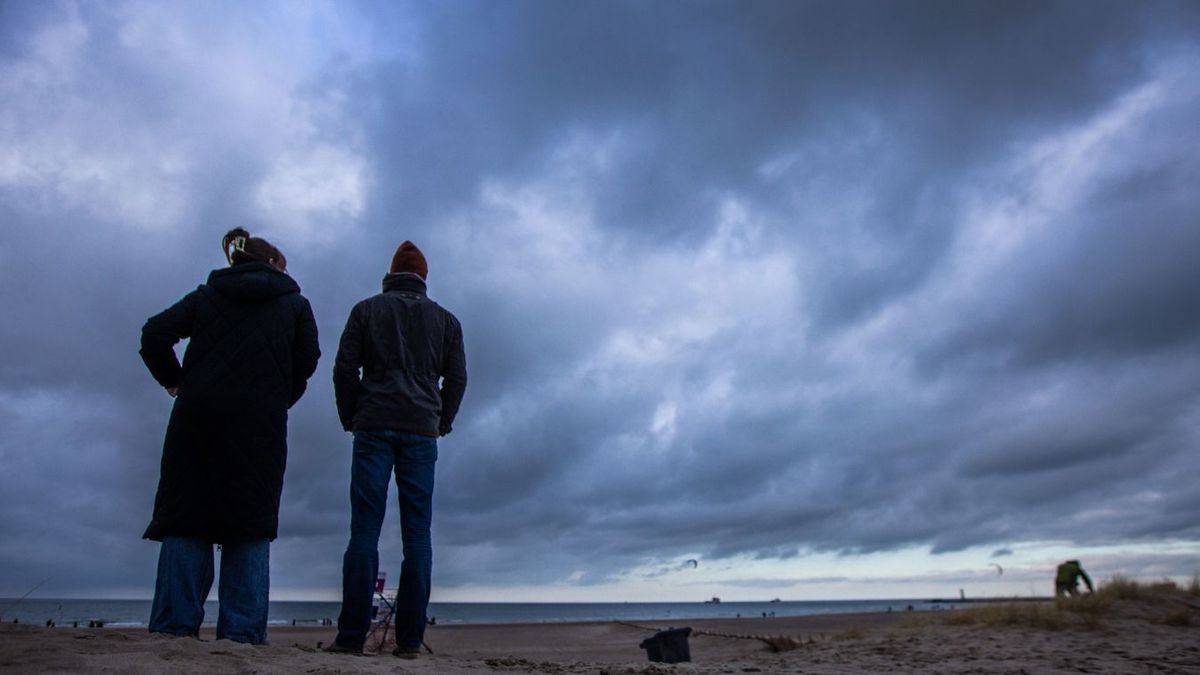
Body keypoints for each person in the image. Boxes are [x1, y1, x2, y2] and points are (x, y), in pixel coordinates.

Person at [139, 228, 320, 644]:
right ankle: (241, 634)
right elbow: (307, 360)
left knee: (187, 518)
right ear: (274, 264)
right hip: (260, 424)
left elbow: (154, 334)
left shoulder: (206, 296)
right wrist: (278, 397)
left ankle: (173, 628)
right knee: (250, 523)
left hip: (197, 418)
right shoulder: (294, 305)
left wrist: (176, 381)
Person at [327, 241, 467, 658]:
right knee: (418, 537)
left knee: (364, 532)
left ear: (391, 274)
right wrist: (441, 422)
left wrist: (350, 415)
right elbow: (457, 379)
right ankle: (408, 641)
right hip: (421, 430)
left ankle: (351, 638)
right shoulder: (446, 320)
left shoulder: (366, 310)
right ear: (424, 277)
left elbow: (343, 369)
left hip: (373, 425)